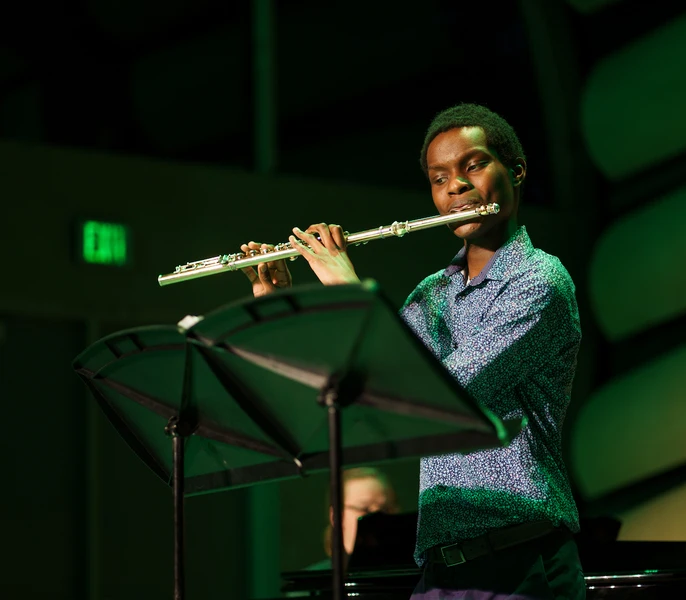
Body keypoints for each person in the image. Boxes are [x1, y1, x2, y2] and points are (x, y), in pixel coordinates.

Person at [240, 103, 585, 599]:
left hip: (519, 558)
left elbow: (438, 394)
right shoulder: (428, 295)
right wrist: (281, 307)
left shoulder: (540, 281)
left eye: (473, 165)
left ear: (515, 170)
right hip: (443, 568)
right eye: (438, 177)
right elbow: (361, 390)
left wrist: (350, 287)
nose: (455, 187)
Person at [305, 467, 399, 571]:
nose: (379, 518)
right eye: (364, 509)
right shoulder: (313, 582)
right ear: (336, 517)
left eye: (386, 509)